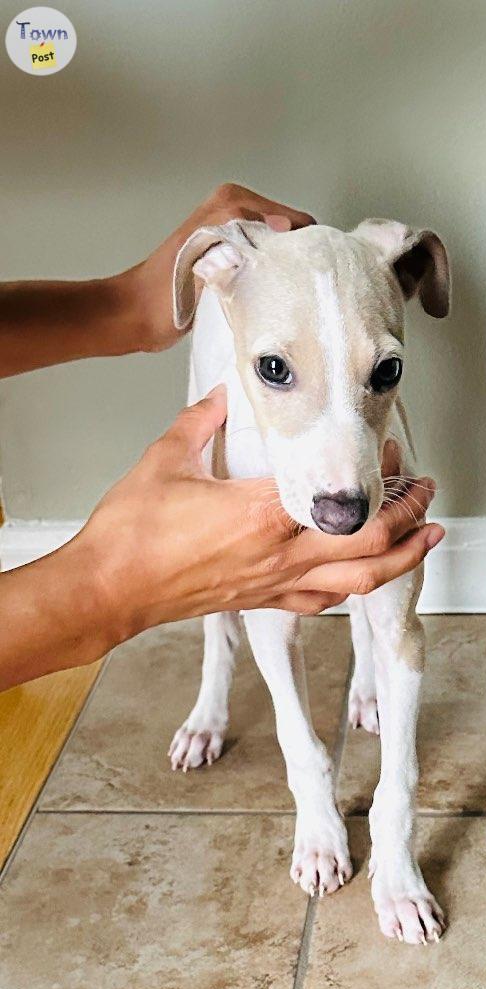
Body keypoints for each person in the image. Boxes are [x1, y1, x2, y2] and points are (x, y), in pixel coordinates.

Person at [0, 183, 444, 692]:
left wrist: (129, 306)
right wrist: (110, 588)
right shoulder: (228, 296)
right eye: (276, 369)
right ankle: (216, 673)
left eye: (385, 371)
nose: (341, 492)